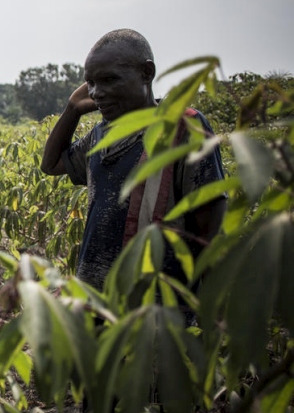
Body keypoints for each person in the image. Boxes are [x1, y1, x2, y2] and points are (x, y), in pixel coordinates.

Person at [40, 29, 227, 293]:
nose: (96, 93)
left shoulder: (183, 127)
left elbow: (210, 230)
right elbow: (51, 165)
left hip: (156, 308)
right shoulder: (100, 136)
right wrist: (73, 108)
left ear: (147, 73)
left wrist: (209, 315)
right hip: (96, 300)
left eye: (109, 80)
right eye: (91, 83)